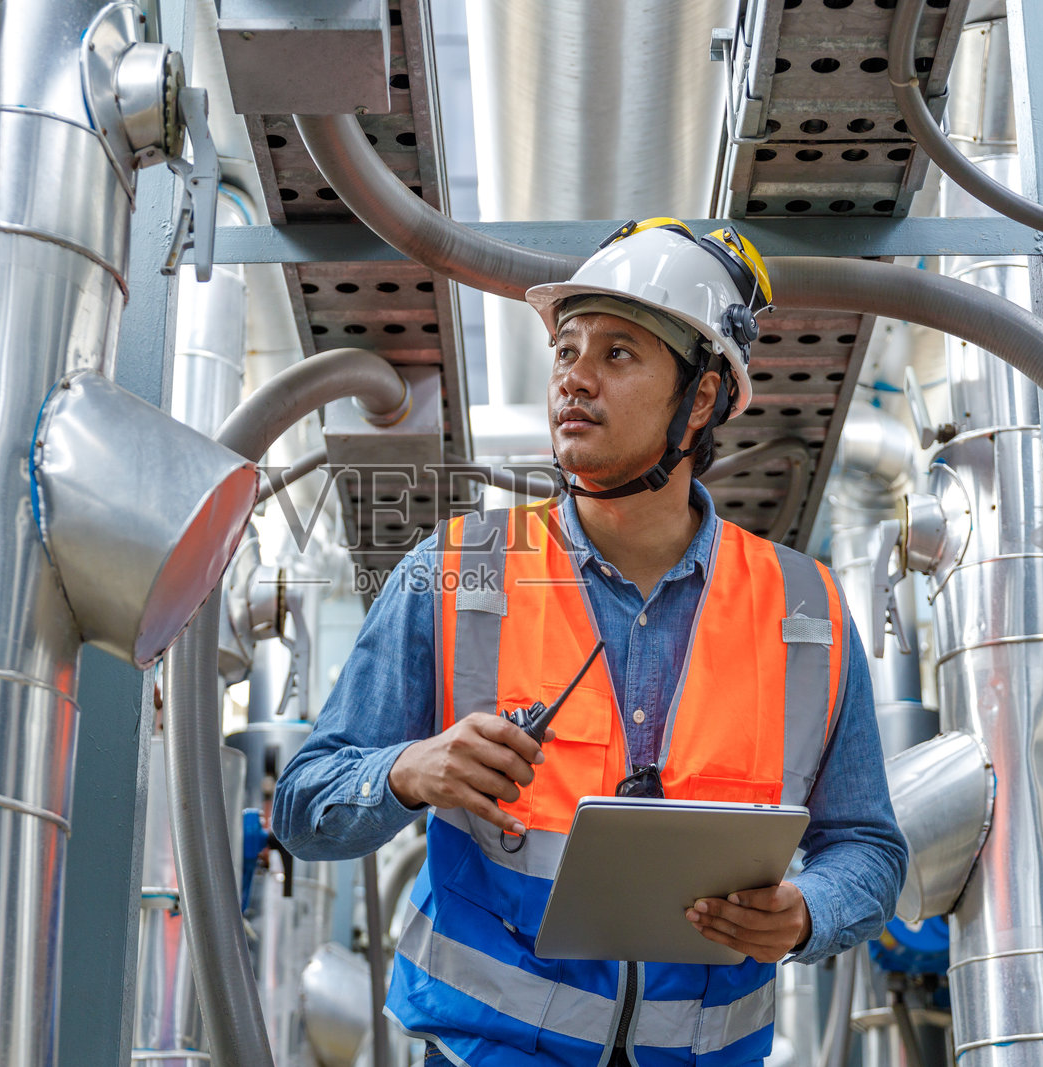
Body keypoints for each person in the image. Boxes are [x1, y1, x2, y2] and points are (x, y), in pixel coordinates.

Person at [273, 218, 908, 1067]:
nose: (574, 377)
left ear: (703, 399)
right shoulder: (457, 569)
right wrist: (406, 770)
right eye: (566, 351)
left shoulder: (808, 609)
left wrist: (808, 911)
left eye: (617, 353)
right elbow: (303, 806)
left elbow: (868, 848)